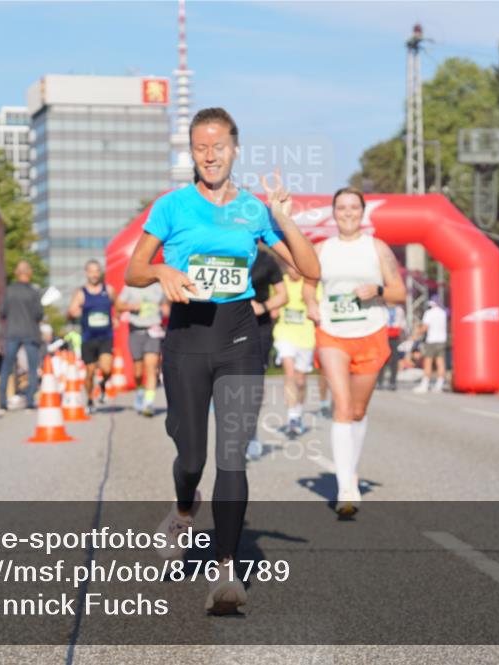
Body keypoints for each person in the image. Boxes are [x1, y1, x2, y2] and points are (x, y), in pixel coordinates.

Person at [124, 107, 318, 615]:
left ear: (235, 150)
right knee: (191, 459)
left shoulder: (254, 210)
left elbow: (309, 269)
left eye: (219, 146)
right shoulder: (171, 207)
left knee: (233, 454)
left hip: (238, 342)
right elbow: (133, 270)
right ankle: (184, 509)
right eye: (200, 147)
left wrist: (283, 218)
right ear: (192, 153)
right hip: (186, 342)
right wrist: (163, 271)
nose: (210, 155)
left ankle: (227, 569)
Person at [304, 187, 406, 517]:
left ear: (363, 212)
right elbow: (308, 284)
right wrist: (311, 304)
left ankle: (351, 470)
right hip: (332, 333)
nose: (347, 213)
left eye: (353, 207)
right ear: (333, 213)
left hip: (370, 331)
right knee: (342, 407)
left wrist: (377, 289)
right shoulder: (321, 249)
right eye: (341, 208)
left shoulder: (377, 248)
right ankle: (345, 486)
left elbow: (399, 292)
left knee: (358, 411)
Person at [245, 248, 287, 460]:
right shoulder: (222, 249)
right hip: (226, 327)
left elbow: (283, 295)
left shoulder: (266, 260)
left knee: (253, 383)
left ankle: (250, 432)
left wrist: (263, 307)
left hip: (258, 328)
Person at [272, 264, 321, 439]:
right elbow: (273, 300)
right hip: (285, 334)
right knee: (290, 374)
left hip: (306, 337)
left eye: (297, 268)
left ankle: (298, 411)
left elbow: (318, 305)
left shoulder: (311, 284)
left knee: (300, 380)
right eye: (291, 268)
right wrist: (273, 309)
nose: (294, 271)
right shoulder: (280, 282)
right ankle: (292, 416)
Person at [67, 259, 116, 414]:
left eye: (97, 271)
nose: (94, 274)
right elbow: (70, 311)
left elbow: (117, 305)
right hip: (88, 337)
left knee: (107, 368)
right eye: (91, 271)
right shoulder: (81, 293)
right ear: (86, 273)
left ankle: (102, 386)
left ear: (100, 272)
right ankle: (89, 399)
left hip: (106, 336)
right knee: (89, 372)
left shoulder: (108, 289)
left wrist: (116, 317)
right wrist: (75, 312)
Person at [0, 260, 45, 413]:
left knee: (7, 368)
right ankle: (30, 401)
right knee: (32, 368)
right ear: (29, 273)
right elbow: (39, 314)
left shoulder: (9, 291)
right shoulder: (33, 292)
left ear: (17, 274)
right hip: (30, 333)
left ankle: (3, 402)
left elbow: (3, 312)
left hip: (12, 332)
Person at [116, 280, 167, 417]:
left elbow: (167, 304)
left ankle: (148, 403)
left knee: (152, 368)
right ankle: (140, 391)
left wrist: (166, 310)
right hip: (135, 331)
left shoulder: (158, 287)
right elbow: (118, 305)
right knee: (138, 371)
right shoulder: (130, 287)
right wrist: (131, 306)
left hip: (153, 331)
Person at [413, 296, 448, 393]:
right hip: (441, 340)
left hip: (431, 340)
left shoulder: (429, 313)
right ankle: (439, 384)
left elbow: (425, 327)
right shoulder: (443, 313)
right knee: (440, 362)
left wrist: (416, 334)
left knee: (428, 362)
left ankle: (425, 384)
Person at [379, 305, 406, 390]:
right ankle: (380, 381)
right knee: (382, 359)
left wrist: (401, 335)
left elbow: (402, 323)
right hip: (383, 335)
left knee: (394, 359)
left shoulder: (399, 309)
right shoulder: (382, 309)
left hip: (395, 336)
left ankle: (393, 382)